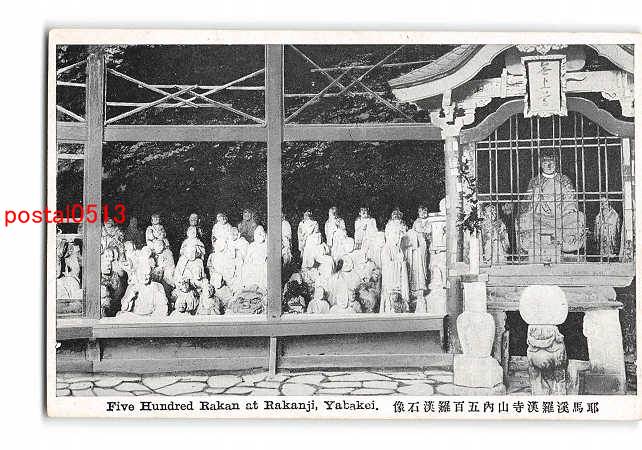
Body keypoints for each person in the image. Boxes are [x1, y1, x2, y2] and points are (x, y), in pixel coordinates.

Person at [517, 149, 586, 262]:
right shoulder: (535, 181)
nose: (549, 165)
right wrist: (536, 196)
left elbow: (571, 202)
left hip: (561, 218)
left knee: (579, 217)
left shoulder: (564, 180)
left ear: (556, 163)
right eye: (545, 163)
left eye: (551, 162)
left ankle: (564, 244)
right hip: (541, 219)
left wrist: (567, 211)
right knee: (525, 218)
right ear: (540, 164)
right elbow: (528, 205)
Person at [380, 227, 410, 313]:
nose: (398, 237)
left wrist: (402, 263)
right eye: (396, 234)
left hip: (399, 280)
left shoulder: (398, 249)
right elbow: (387, 265)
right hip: (391, 282)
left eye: (399, 235)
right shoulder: (386, 248)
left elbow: (402, 261)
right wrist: (399, 263)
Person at [242, 226, 268, 292]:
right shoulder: (252, 245)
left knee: (264, 270)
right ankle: (249, 286)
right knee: (246, 268)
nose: (259, 236)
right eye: (257, 234)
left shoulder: (266, 245)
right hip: (253, 264)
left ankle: (261, 287)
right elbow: (248, 257)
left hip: (262, 264)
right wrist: (247, 263)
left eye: (261, 234)